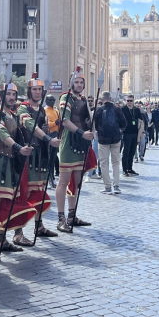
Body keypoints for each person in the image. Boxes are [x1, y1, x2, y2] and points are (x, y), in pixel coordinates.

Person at [0, 82, 36, 254]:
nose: (12, 98)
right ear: (0, 97)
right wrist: (17, 148)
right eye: (8, 95)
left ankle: (1, 241)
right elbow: (2, 133)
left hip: (11, 165)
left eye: (14, 95)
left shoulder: (13, 115)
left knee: (7, 205)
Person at [15, 74, 60, 242]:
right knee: (23, 193)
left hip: (41, 154)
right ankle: (18, 232)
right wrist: (48, 138)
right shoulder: (23, 108)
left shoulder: (42, 109)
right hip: (27, 155)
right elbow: (29, 125)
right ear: (29, 91)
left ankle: (39, 226)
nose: (37, 92)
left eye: (39, 89)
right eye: (34, 89)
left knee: (39, 192)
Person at [56, 69, 94, 233]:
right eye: (76, 82)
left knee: (77, 182)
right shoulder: (66, 98)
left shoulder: (83, 99)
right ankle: (61, 219)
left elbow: (85, 119)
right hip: (69, 142)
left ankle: (72, 216)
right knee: (64, 181)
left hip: (81, 144)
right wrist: (81, 133)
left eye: (81, 83)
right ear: (72, 83)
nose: (79, 85)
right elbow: (65, 121)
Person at [95, 91, 126, 194]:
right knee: (116, 162)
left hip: (103, 140)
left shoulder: (99, 110)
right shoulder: (117, 109)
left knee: (104, 163)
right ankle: (116, 186)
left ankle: (107, 187)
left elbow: (95, 125)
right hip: (116, 139)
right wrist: (120, 130)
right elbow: (124, 123)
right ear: (111, 99)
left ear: (102, 99)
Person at [120, 94, 141, 176]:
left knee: (132, 151)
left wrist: (142, 132)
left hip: (135, 132)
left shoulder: (136, 110)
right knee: (126, 152)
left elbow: (141, 120)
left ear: (133, 101)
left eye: (130, 101)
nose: (129, 102)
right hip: (126, 133)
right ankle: (124, 170)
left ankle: (130, 168)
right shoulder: (122, 109)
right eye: (128, 101)